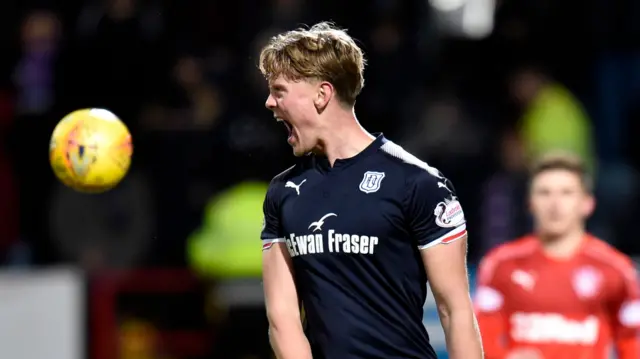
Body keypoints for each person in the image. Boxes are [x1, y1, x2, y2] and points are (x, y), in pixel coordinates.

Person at [258, 22, 483, 359]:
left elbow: (455, 311)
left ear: (322, 94)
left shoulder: (418, 183)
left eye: (279, 90)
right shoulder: (283, 192)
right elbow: (282, 318)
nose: (269, 103)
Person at [475, 153, 640, 359]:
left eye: (567, 193)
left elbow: (632, 341)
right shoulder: (500, 264)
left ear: (587, 203)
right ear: (530, 203)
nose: (555, 204)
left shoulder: (616, 269)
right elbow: (480, 338)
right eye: (544, 193)